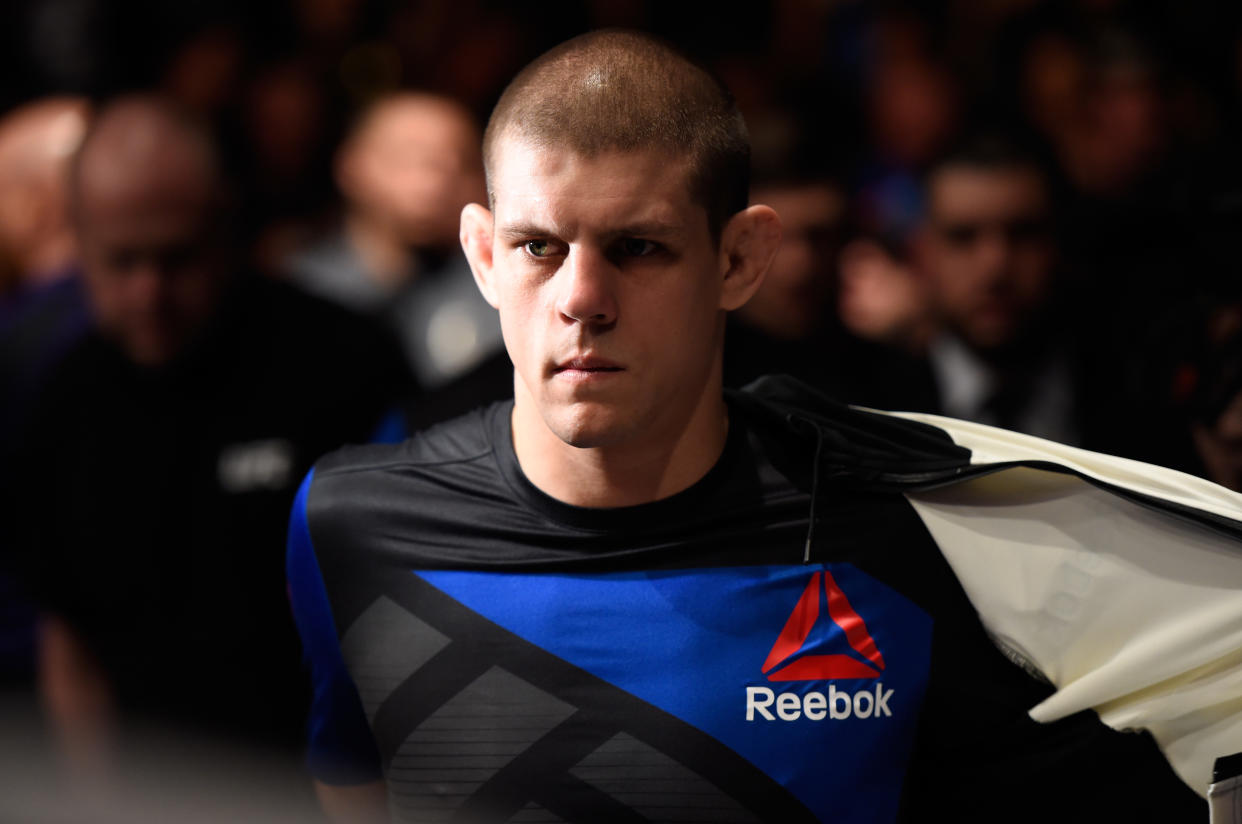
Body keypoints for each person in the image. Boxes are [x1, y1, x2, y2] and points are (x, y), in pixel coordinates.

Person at [288, 31, 1235, 823]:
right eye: (540, 247)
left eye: (640, 247)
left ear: (741, 260)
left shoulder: (920, 539)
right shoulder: (350, 523)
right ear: (484, 257)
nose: (582, 299)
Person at [7, 95, 412, 773]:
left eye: (176, 258)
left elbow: (414, 622)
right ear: (77, 239)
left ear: (227, 225)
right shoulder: (59, 401)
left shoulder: (346, 364)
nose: (149, 293)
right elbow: (67, 644)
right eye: (121, 261)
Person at [286, 92, 503, 390]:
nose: (439, 180)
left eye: (461, 163)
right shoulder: (300, 292)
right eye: (412, 158)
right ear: (350, 165)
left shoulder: (499, 294)